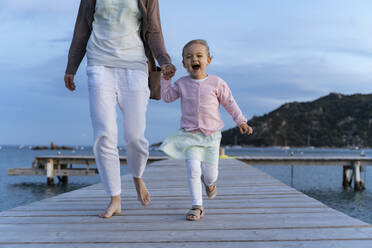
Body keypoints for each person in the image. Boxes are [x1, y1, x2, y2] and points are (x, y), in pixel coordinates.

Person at [64, 0, 176, 218]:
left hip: (134, 67)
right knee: (104, 133)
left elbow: (153, 30)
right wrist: (71, 67)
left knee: (135, 136)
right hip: (99, 64)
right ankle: (115, 197)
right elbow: (82, 29)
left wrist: (164, 61)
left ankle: (137, 175)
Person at [159, 39, 253, 221]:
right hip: (190, 135)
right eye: (189, 57)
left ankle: (209, 184)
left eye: (199, 55)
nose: (194, 59)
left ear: (208, 60)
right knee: (193, 169)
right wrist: (166, 80)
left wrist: (241, 121)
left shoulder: (217, 83)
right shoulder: (182, 83)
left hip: (211, 137)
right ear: (185, 63)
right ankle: (197, 206)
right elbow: (168, 97)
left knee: (210, 175)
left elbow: (230, 103)